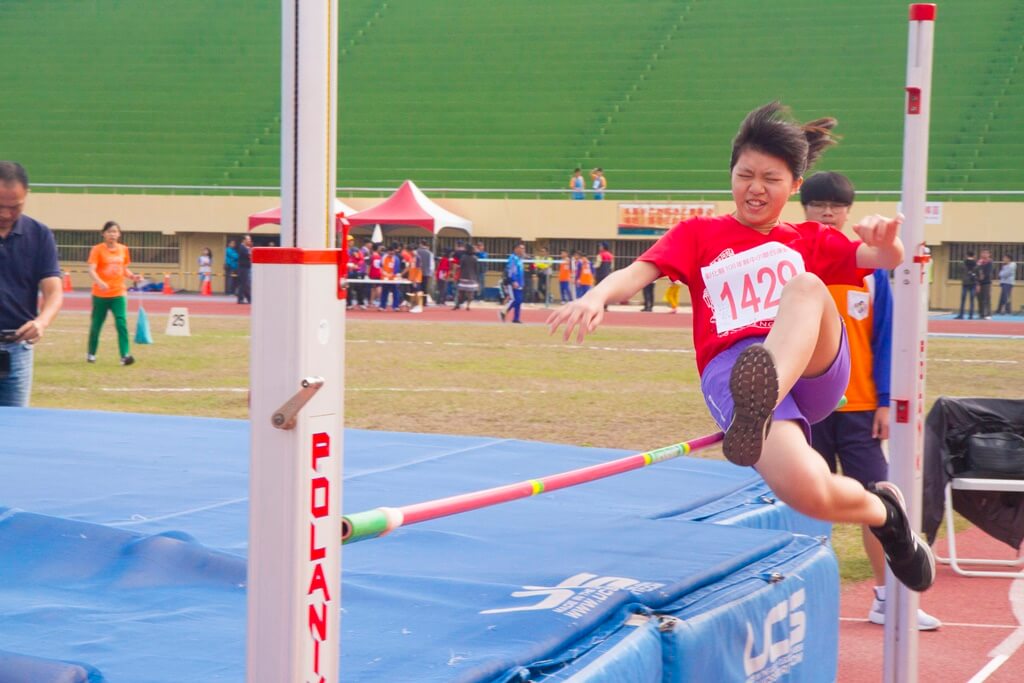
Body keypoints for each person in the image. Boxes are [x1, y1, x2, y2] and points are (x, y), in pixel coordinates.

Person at [548, 102, 935, 595]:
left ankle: (766, 387)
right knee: (809, 492)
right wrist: (596, 295)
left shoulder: (808, 237)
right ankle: (886, 513)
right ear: (730, 175)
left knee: (807, 286)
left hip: (811, 367)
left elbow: (879, 257)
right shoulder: (698, 234)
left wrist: (889, 244)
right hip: (735, 373)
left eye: (771, 178)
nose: (755, 187)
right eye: (745, 174)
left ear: (795, 185)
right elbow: (636, 272)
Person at [801, 172, 941, 630]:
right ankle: (800, 599)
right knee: (802, 505)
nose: (826, 212)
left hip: (859, 409)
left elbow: (885, 339)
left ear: (848, 210)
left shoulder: (872, 270)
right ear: (804, 209)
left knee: (880, 503)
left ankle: (888, 598)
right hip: (806, 410)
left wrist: (884, 400)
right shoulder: (793, 266)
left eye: (835, 206)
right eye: (817, 204)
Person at [0, 161, 63, 407]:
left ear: (26, 196)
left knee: (16, 431)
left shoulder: (39, 234)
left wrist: (42, 322)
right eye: (0, 206)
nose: (5, 214)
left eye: (14, 207)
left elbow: (54, 290)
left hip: (17, 349)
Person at [87, 221, 141, 365]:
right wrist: (100, 282)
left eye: (115, 231)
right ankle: (91, 354)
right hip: (100, 295)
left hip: (118, 293)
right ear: (103, 233)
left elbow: (123, 268)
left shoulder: (123, 249)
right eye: (109, 231)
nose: (112, 234)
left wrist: (132, 276)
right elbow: (91, 269)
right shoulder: (97, 250)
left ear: (119, 234)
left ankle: (125, 355)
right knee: (96, 325)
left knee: (121, 322)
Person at [499, 243, 525, 324]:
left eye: (523, 249)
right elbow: (511, 271)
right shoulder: (513, 258)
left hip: (519, 283)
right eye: (521, 248)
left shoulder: (519, 259)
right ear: (516, 249)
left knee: (519, 301)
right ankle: (503, 312)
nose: (523, 250)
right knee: (514, 300)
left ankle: (516, 318)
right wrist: (513, 281)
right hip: (513, 283)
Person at [453, 243, 480, 310]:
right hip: (472, 278)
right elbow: (476, 269)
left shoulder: (463, 257)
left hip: (463, 277)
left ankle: (457, 304)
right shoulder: (475, 258)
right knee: (470, 293)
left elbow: (461, 266)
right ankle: (468, 306)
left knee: (460, 292)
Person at [955, 251, 977, 319]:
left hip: (965, 283)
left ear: (966, 255)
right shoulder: (976, 264)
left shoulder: (963, 263)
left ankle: (961, 315)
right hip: (973, 283)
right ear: (974, 256)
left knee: (963, 299)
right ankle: (971, 315)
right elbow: (978, 273)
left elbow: (959, 271)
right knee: (972, 300)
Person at [415, 240, 434, 307]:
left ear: (421, 244)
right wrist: (430, 273)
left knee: (418, 287)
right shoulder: (430, 253)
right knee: (425, 287)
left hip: (417, 272)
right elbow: (432, 265)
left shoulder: (416, 252)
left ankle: (417, 301)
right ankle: (424, 302)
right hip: (426, 272)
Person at [976, 249, 994, 320]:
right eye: (983, 253)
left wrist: (982, 275)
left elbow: (988, 273)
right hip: (979, 283)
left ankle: (988, 314)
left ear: (989, 254)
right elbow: (976, 271)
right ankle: (981, 314)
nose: (984, 254)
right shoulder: (979, 262)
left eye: (986, 253)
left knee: (986, 299)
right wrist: (977, 283)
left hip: (987, 283)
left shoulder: (990, 262)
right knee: (979, 299)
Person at [236, 235, 253, 304]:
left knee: (244, 284)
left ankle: (247, 298)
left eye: (250, 239)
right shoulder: (242, 247)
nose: (249, 241)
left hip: (246, 268)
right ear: (244, 240)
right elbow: (248, 255)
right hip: (243, 268)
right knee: (244, 284)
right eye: (248, 239)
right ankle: (243, 299)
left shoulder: (246, 247)